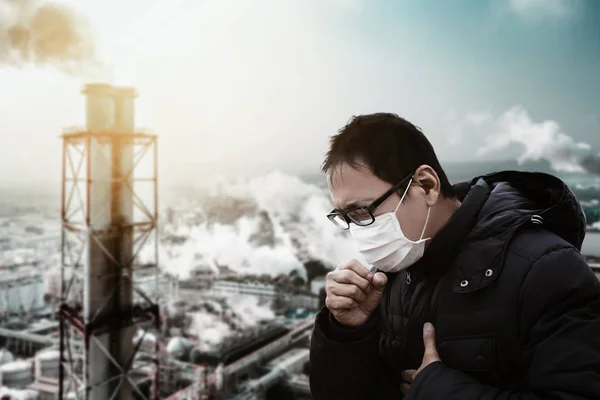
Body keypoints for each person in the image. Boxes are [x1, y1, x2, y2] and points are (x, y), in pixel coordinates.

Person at [309, 113, 600, 399]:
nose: (359, 231)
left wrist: (439, 390)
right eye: (346, 217)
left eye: (364, 211)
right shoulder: (392, 275)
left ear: (427, 185)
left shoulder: (546, 269)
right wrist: (346, 333)